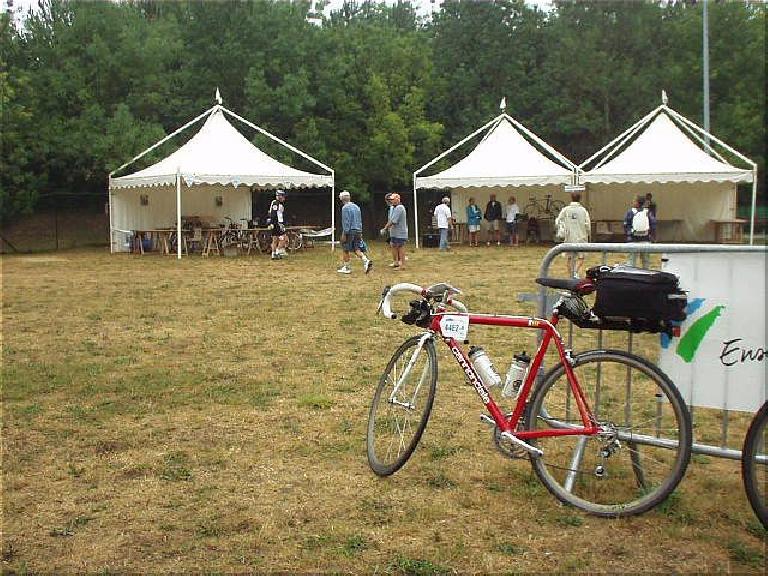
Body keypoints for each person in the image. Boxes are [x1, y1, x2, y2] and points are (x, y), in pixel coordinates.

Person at [554, 191, 591, 278]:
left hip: (569, 236)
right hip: (581, 237)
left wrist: (562, 230)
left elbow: (558, 221)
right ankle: (575, 272)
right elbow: (588, 225)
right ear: (580, 199)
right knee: (581, 257)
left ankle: (571, 274)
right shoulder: (583, 210)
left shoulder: (566, 210)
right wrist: (588, 233)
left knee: (569, 257)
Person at [337, 190, 372, 274]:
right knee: (356, 248)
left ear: (341, 199)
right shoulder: (356, 207)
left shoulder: (345, 208)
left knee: (345, 249)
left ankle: (347, 267)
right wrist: (360, 231)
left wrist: (344, 234)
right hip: (358, 230)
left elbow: (346, 222)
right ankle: (366, 261)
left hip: (350, 231)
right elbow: (359, 220)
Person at [624, 196, 653, 269]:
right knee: (646, 261)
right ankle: (646, 275)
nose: (633, 202)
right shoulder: (647, 212)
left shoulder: (630, 212)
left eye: (634, 201)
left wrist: (628, 235)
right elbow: (653, 224)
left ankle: (631, 275)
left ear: (637, 202)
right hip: (646, 239)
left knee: (631, 261)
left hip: (633, 239)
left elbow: (626, 224)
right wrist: (651, 236)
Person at [381, 193, 408, 270]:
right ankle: (396, 262)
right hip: (394, 232)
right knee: (393, 245)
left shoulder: (399, 208)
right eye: (390, 200)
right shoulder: (394, 208)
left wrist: (385, 228)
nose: (391, 201)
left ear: (397, 199)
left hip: (400, 232)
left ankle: (402, 265)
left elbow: (393, 221)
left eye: (392, 199)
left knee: (400, 247)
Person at [267, 189, 287, 260]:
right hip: (278, 223)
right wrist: (272, 223)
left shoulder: (277, 203)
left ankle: (273, 254)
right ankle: (278, 252)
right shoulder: (276, 203)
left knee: (275, 240)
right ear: (279, 196)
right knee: (284, 238)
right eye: (282, 196)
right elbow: (273, 214)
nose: (284, 198)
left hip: (276, 223)